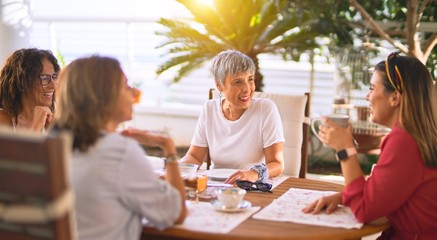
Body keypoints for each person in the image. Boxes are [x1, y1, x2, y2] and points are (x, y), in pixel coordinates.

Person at [302, 52, 437, 239]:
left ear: (395, 98)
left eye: (372, 88)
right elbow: (387, 191)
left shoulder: (404, 141)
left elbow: (365, 210)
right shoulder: (416, 135)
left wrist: (345, 149)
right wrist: (345, 197)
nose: (367, 96)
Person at [54, 55, 187, 240]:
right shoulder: (118, 151)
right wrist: (168, 147)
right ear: (103, 95)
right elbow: (176, 213)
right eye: (125, 86)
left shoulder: (54, 147)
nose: (134, 92)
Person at [181, 50, 285, 184]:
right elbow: (194, 156)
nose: (247, 89)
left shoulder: (265, 109)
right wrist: (178, 168)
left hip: (252, 187)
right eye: (238, 82)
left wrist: (252, 174)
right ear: (219, 85)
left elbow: (276, 164)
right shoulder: (209, 109)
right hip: (216, 185)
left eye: (250, 79)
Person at [0, 48, 60, 133]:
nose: (53, 86)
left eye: (54, 77)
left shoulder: (55, 122)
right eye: (44, 78)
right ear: (22, 81)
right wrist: (35, 128)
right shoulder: (2, 121)